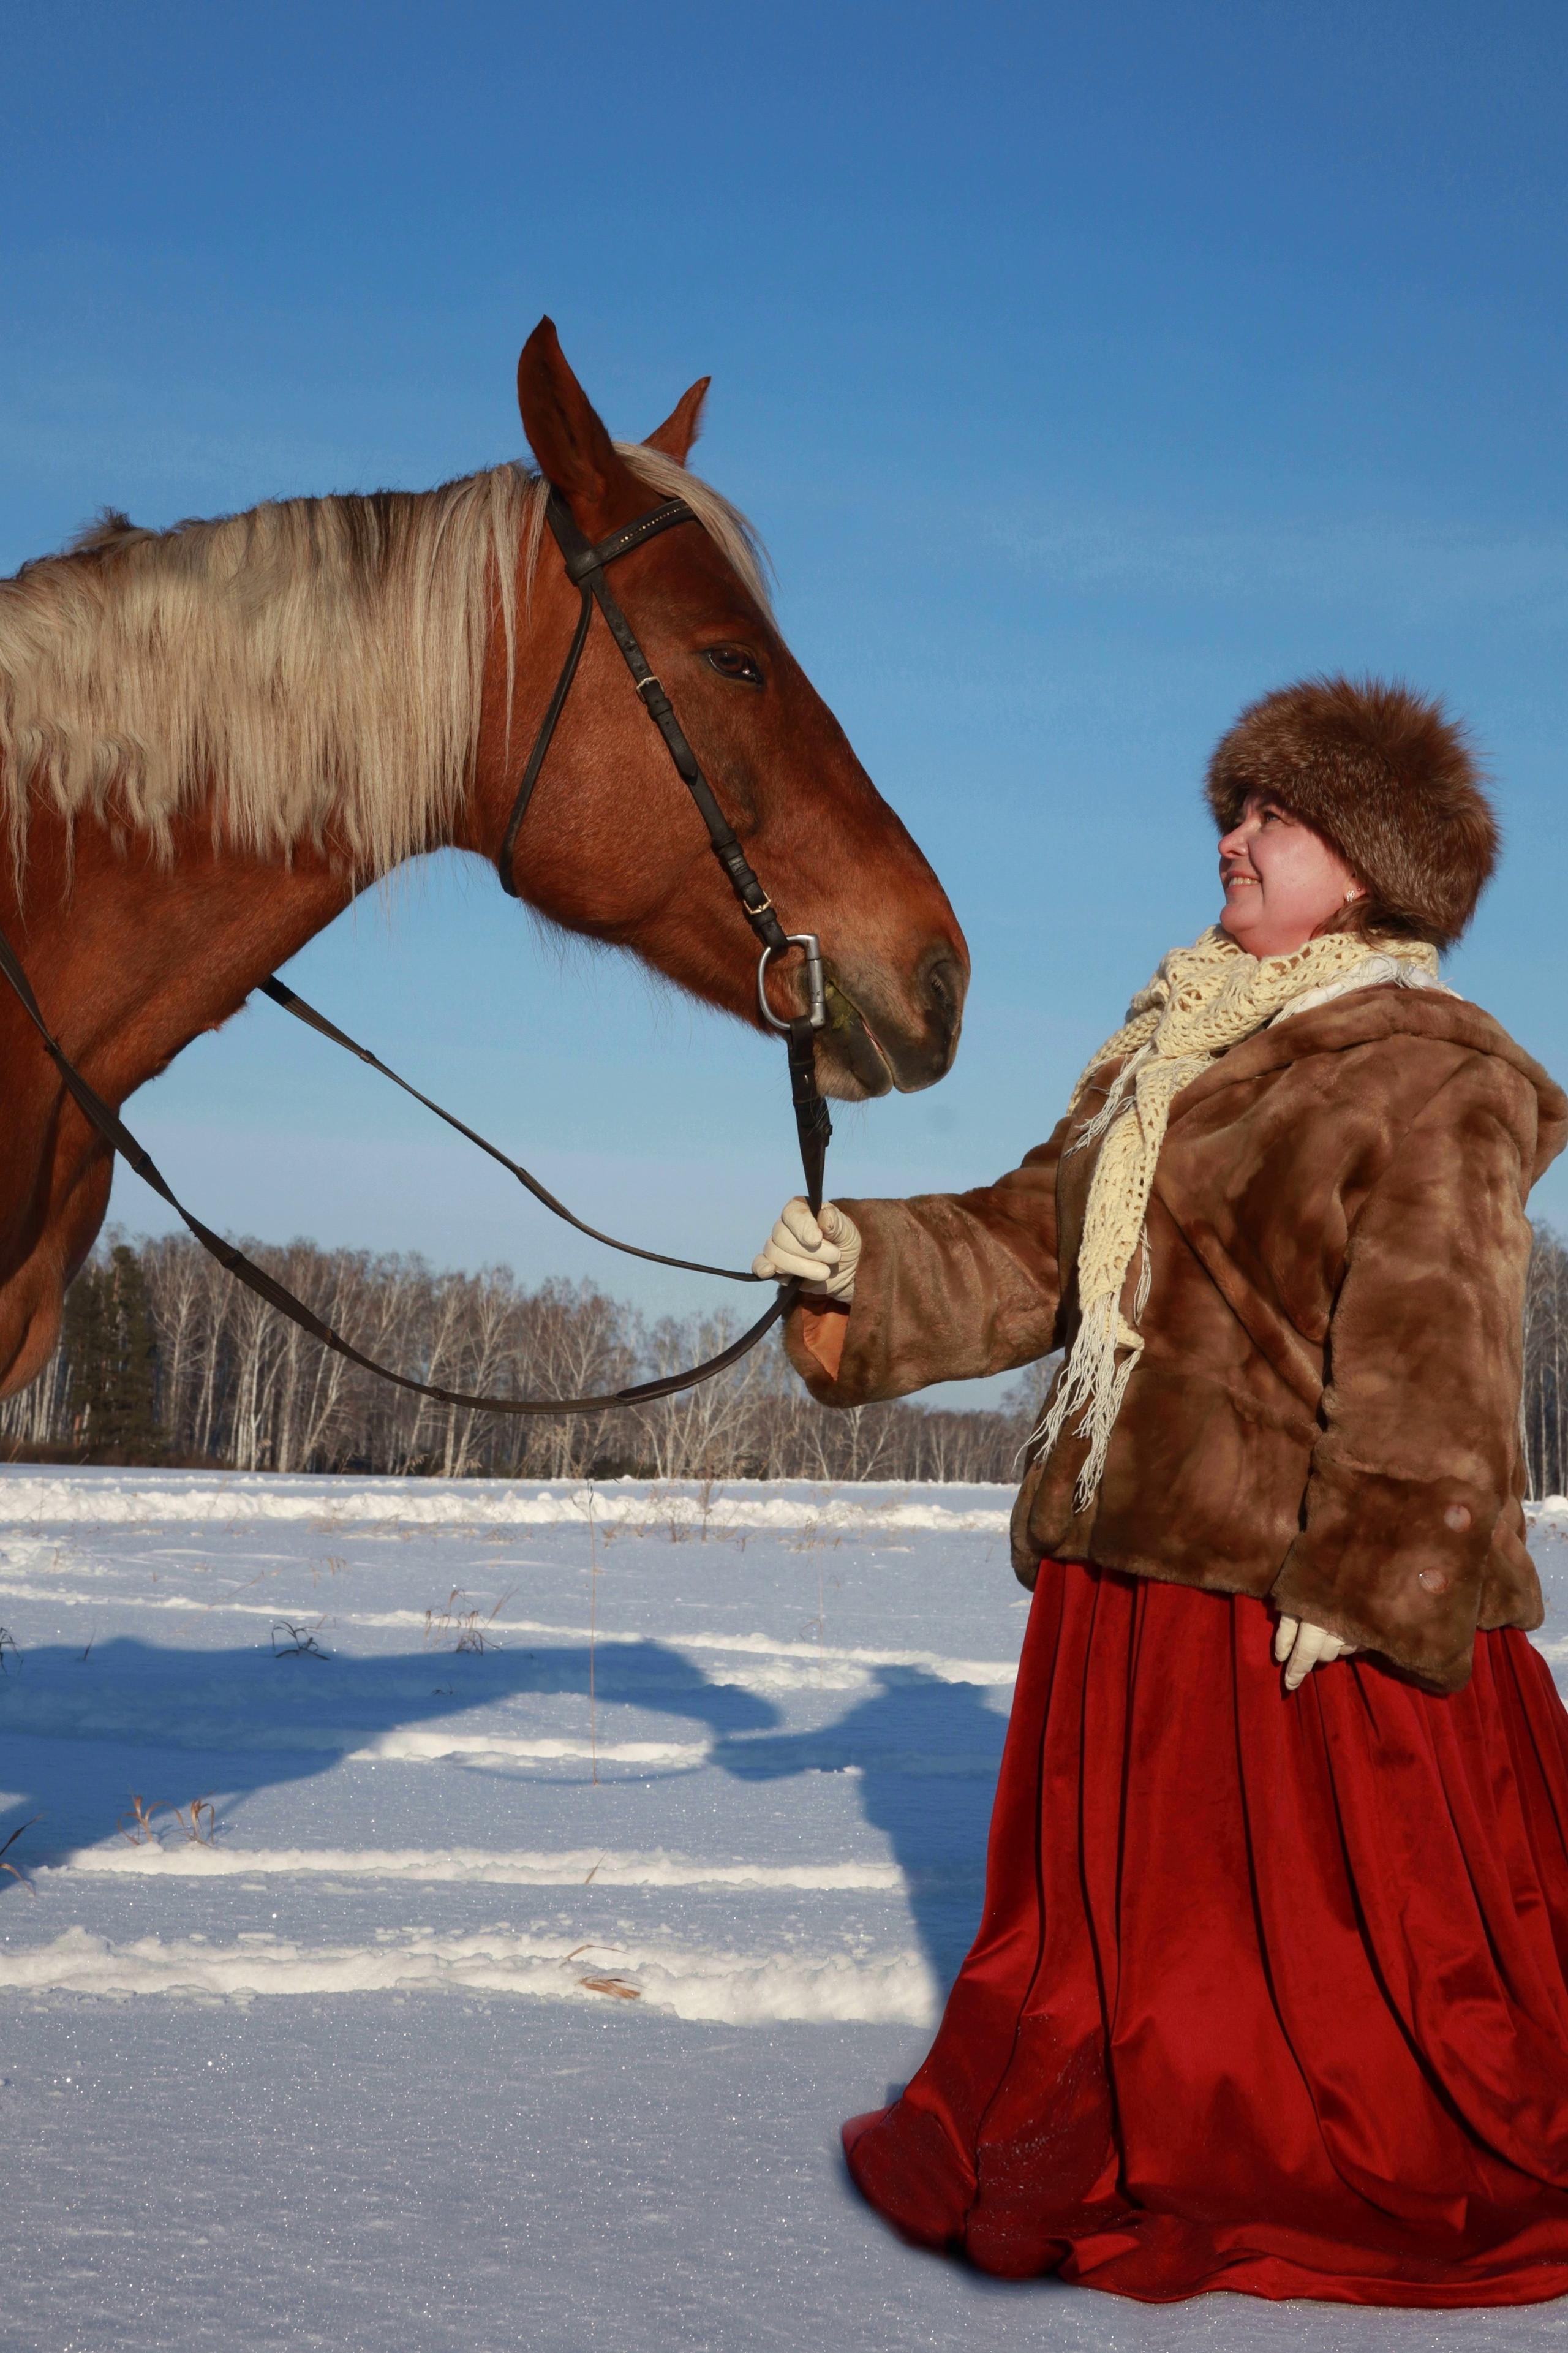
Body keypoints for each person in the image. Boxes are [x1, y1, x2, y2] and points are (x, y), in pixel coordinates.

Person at [754, 676, 1568, 2308]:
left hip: (1301, 1608)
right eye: (1234, 810)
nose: (1232, 839)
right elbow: (1032, 1242)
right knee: (1122, 1972)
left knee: (1351, 1991)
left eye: (1276, 817)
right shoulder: (1174, 1043)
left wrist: (1373, 1581)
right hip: (1129, 1584)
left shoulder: (1435, 1066)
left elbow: (1436, 1345)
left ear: (1371, 866)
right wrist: (865, 1265)